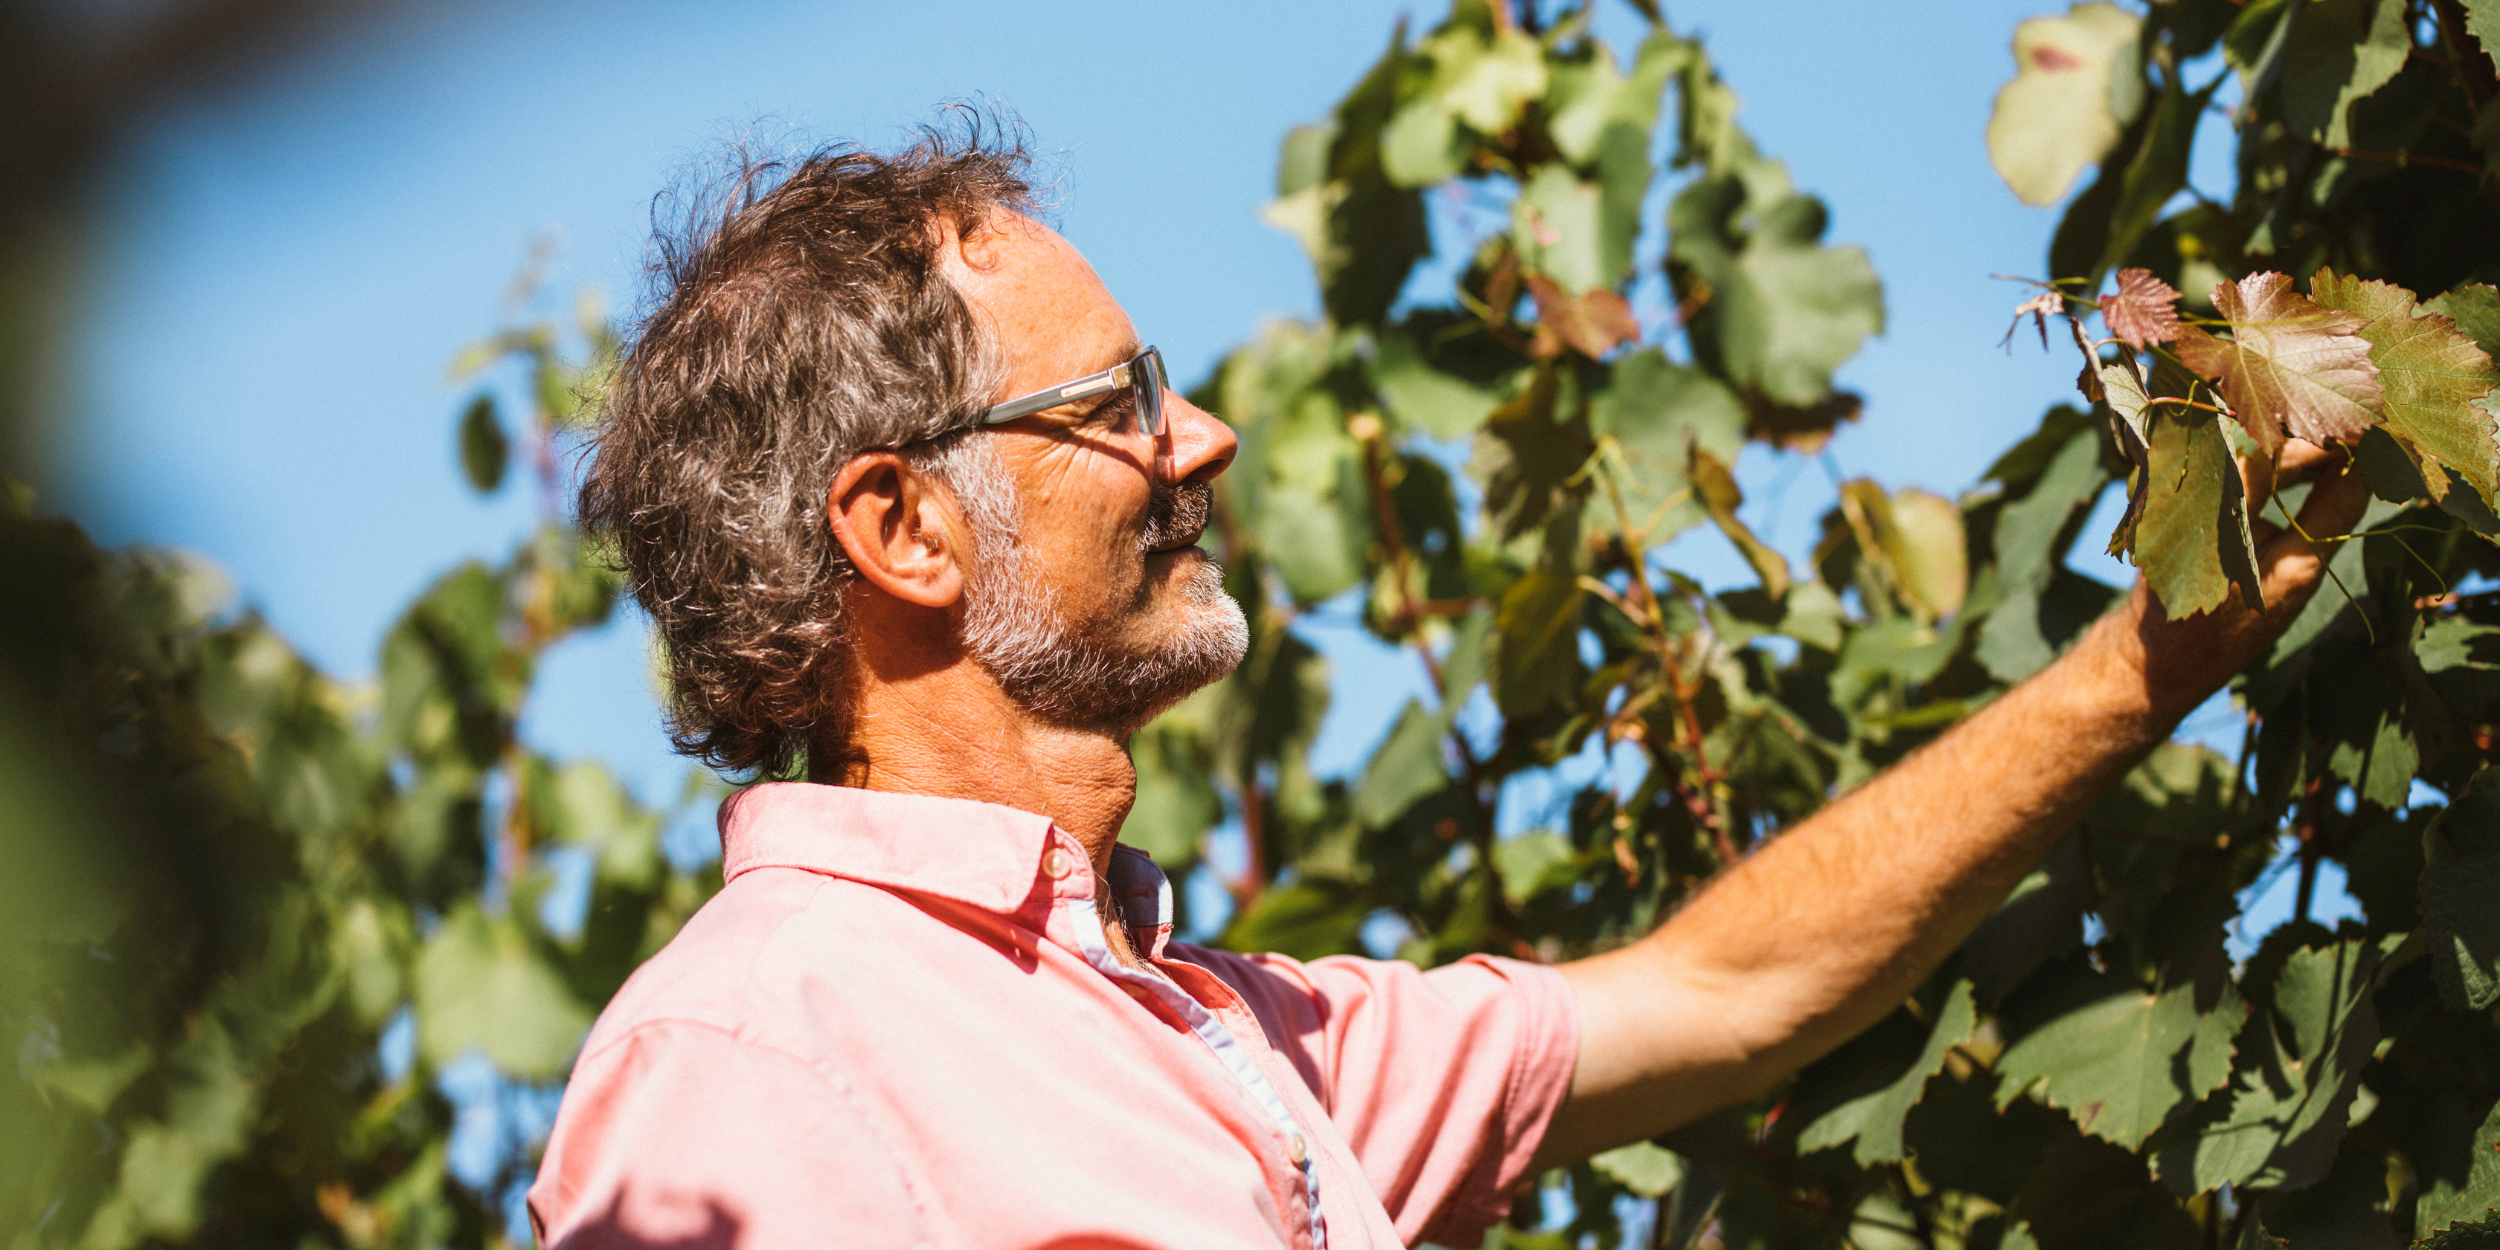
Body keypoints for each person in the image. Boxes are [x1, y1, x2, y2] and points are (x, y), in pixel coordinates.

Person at [528, 127, 2366, 1249]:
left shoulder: (1237, 1044)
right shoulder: (755, 1051)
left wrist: (2155, 659)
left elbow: (1723, 992)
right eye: (1120, 404)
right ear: (902, 525)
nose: (1209, 437)